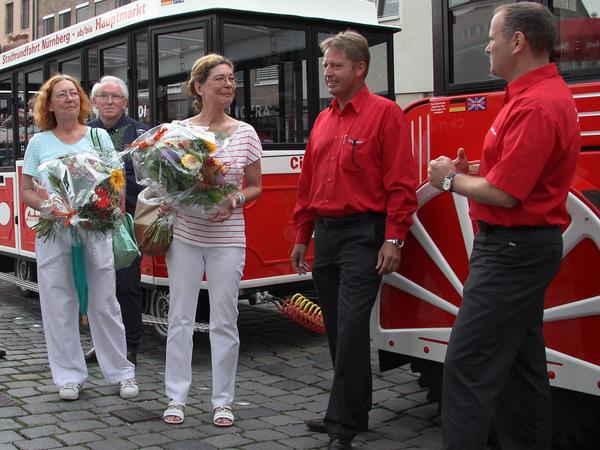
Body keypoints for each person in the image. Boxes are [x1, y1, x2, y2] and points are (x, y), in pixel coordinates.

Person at [427, 3, 580, 449]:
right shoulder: (540, 96)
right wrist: (473, 170)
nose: (487, 46)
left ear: (518, 42)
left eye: (493, 37)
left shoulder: (535, 104)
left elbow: (507, 193)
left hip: (511, 251)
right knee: (521, 366)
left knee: (467, 366)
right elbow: (519, 175)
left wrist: (451, 179)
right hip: (524, 248)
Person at [291, 31, 418, 450]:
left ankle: (341, 425)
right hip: (326, 236)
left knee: (349, 328)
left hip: (365, 236)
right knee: (340, 332)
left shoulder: (385, 114)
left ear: (360, 69)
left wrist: (394, 239)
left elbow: (401, 184)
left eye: (336, 65)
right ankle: (355, 411)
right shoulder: (324, 119)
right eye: (326, 65)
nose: (327, 72)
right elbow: (307, 184)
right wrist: (301, 237)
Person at [21, 74, 139, 401]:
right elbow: (27, 190)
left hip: (95, 230)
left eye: (74, 94)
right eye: (62, 95)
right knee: (59, 302)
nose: (70, 99)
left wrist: (113, 209)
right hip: (55, 231)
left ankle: (121, 371)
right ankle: (68, 375)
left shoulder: (98, 136)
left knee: (104, 302)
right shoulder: (39, 143)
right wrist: (51, 206)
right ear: (50, 104)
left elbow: (115, 180)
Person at [161, 54, 262, 427]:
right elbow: (166, 182)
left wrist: (233, 199)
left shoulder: (246, 132)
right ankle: (176, 397)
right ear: (199, 87)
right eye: (220, 78)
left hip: (228, 237)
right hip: (186, 236)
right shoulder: (178, 132)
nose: (229, 84)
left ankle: (223, 401)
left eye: (232, 79)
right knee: (180, 318)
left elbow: (255, 187)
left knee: (224, 319)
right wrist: (174, 198)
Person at [85, 75, 149, 366]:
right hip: (92, 223)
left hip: (128, 221)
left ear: (124, 102)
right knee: (97, 287)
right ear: (95, 102)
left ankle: (130, 345)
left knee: (127, 285)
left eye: (115, 97)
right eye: (103, 96)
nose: (109, 101)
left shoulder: (141, 134)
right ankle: (102, 343)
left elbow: (150, 180)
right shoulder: (83, 134)